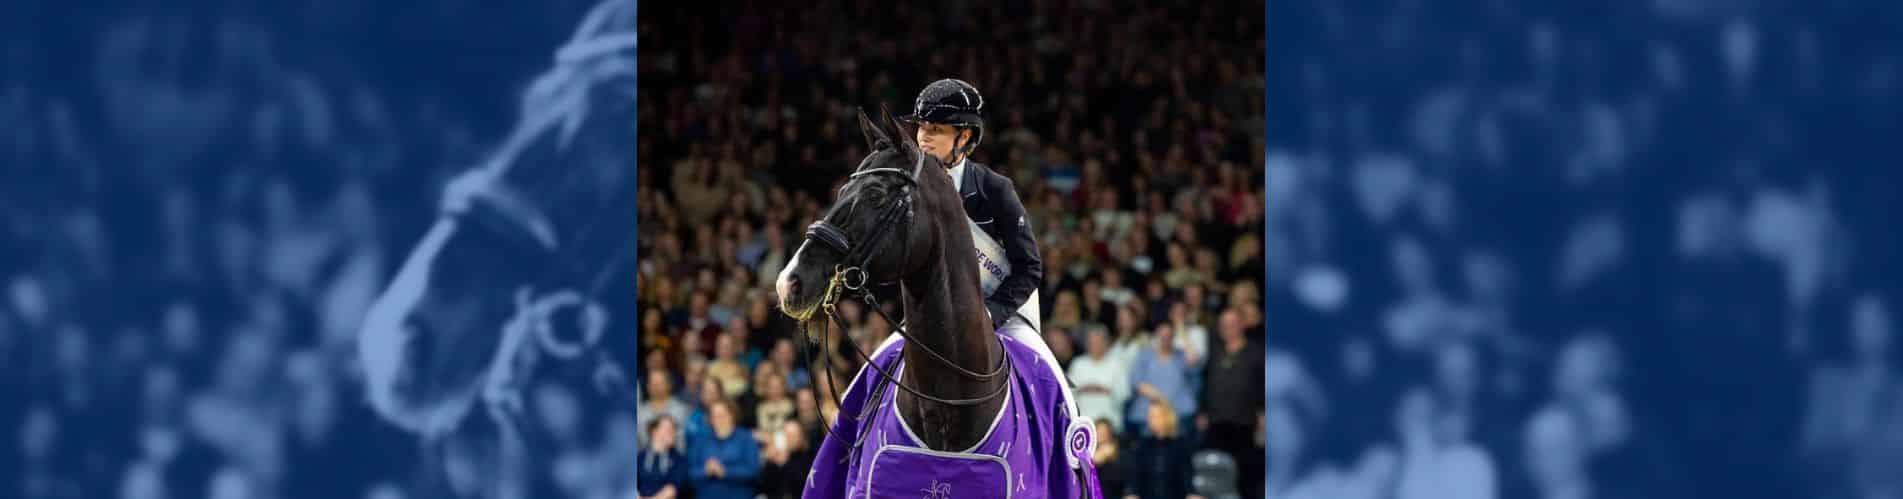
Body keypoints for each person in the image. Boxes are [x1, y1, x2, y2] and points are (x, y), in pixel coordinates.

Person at [687, 399, 762, 499]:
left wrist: (725, 471)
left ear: (732, 416)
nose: (718, 420)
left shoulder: (746, 438)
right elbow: (690, 471)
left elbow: (753, 470)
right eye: (714, 416)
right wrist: (706, 470)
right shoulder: (701, 439)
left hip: (738, 494)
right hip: (707, 494)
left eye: (722, 415)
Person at [638, 416, 688, 499]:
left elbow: (673, 488)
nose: (673, 432)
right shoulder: (640, 457)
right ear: (654, 431)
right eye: (668, 428)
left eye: (674, 429)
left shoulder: (679, 459)